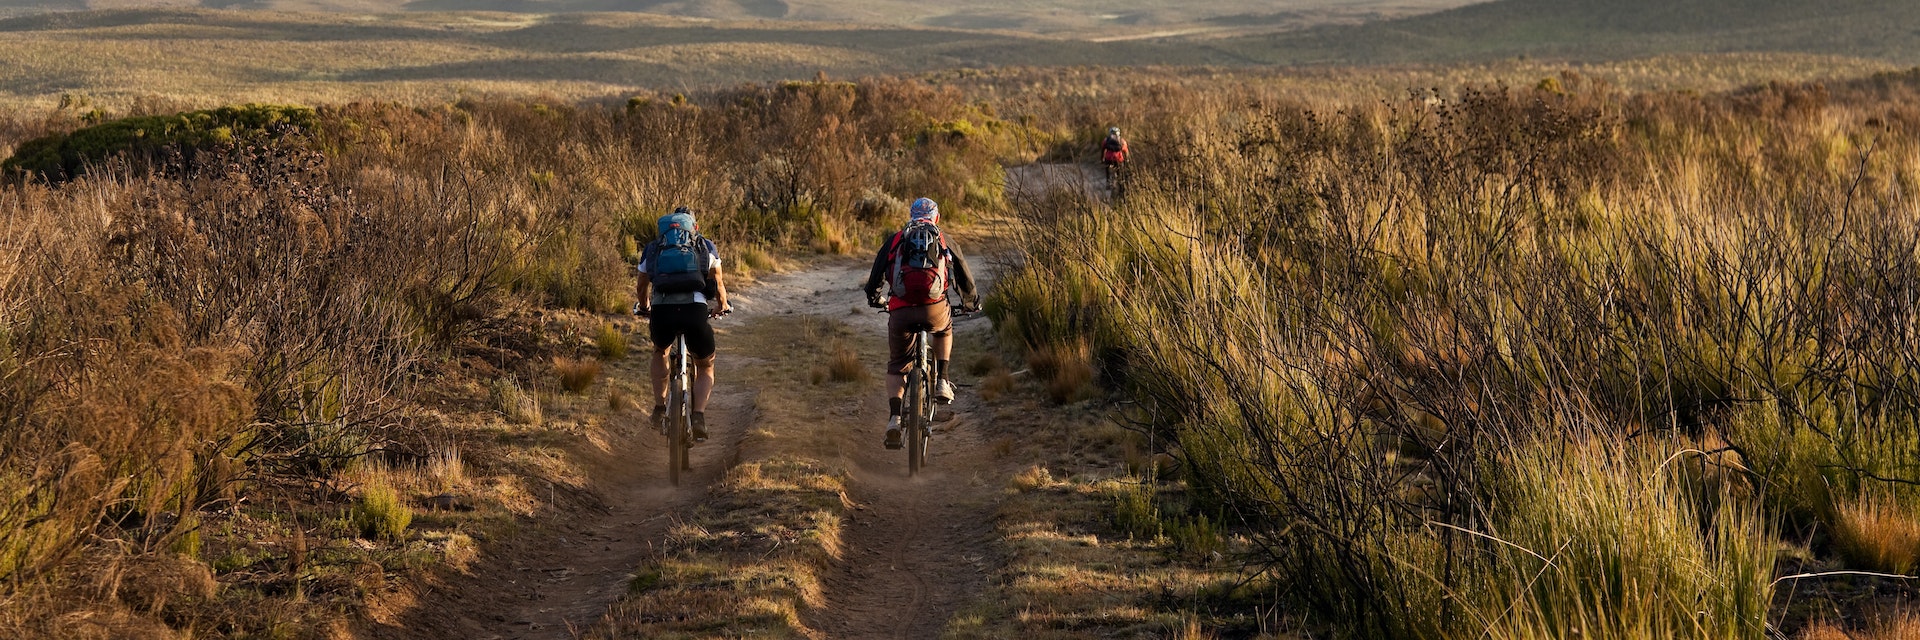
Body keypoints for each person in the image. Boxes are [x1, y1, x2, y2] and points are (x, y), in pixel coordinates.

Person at [863, 197, 981, 449]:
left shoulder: (896, 239)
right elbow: (963, 276)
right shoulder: (944, 239)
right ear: (936, 217)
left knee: (897, 365)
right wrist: (970, 302)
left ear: (911, 215)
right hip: (934, 308)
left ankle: (895, 418)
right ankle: (942, 380)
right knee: (944, 329)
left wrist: (875, 298)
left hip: (901, 311)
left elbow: (876, 275)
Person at [634, 206, 731, 444]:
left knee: (660, 350)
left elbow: (641, 287)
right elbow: (717, 283)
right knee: (706, 364)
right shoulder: (705, 246)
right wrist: (722, 305)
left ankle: (659, 408)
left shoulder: (653, 248)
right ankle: (698, 417)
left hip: (662, 312)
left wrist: (645, 306)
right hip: (695, 311)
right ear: (693, 227)